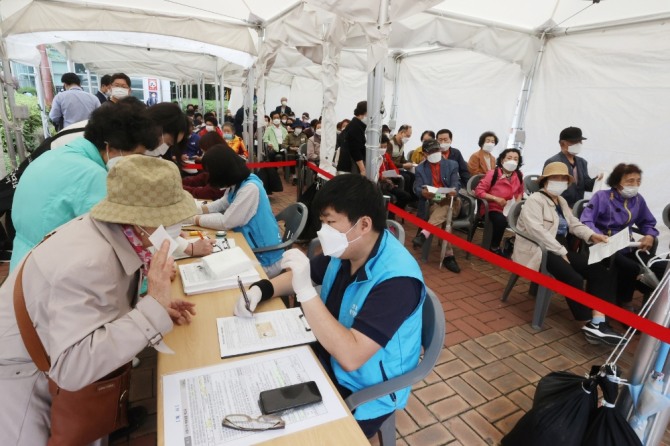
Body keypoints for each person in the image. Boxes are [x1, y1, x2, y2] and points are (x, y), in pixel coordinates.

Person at [0, 155, 198, 445]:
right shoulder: (88, 262)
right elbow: (72, 367)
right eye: (167, 218)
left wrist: (155, 308)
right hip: (22, 374)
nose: (173, 226)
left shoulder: (111, 233)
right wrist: (150, 310)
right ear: (140, 220)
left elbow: (101, 309)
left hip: (44, 357)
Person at [233, 174, 425, 439]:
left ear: (364, 224)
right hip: (326, 356)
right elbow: (306, 274)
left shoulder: (397, 281)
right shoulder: (349, 249)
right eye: (322, 222)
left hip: (362, 387)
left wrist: (304, 293)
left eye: (330, 222)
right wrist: (262, 289)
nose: (323, 231)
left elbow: (351, 356)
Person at [10, 98, 154, 271]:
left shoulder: (55, 155)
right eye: (136, 155)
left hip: (24, 261)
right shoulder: (92, 176)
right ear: (113, 147)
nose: (136, 163)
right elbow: (119, 243)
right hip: (55, 272)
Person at [512, 162, 622, 345]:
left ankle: (598, 320)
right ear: (545, 180)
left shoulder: (561, 201)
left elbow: (574, 224)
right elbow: (537, 231)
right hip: (540, 250)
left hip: (559, 247)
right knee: (574, 278)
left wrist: (592, 235)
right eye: (556, 178)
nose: (561, 182)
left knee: (599, 270)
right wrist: (561, 251)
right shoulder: (534, 200)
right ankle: (585, 323)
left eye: (564, 179)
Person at [193, 146, 284, 278]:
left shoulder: (250, 188)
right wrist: (196, 210)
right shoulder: (238, 183)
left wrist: (194, 219)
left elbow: (226, 222)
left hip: (264, 258)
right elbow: (222, 203)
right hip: (250, 248)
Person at [580, 163, 659, 311]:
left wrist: (649, 234)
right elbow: (586, 220)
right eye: (630, 181)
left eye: (638, 181)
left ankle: (635, 296)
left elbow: (648, 221)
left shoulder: (638, 200)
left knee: (656, 265)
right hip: (604, 244)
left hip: (627, 245)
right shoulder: (601, 197)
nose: (635, 185)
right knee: (631, 267)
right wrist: (598, 235)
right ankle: (625, 302)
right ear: (617, 182)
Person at [412, 139, 462, 272]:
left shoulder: (452, 164)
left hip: (451, 201)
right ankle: (449, 256)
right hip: (434, 200)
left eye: (437, 150)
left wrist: (453, 191)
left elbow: (456, 184)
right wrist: (422, 192)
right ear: (424, 154)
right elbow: (416, 187)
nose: (436, 153)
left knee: (446, 206)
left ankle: (425, 233)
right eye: (432, 151)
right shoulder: (420, 168)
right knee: (444, 220)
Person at [474, 148, 524, 256]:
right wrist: (496, 199)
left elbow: (520, 191)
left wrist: (517, 204)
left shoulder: (519, 175)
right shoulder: (493, 174)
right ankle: (494, 246)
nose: (512, 161)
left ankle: (511, 242)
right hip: (492, 206)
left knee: (526, 219)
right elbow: (479, 191)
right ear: (502, 160)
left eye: (516, 159)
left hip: (510, 206)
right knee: (501, 221)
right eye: (509, 158)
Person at [544, 126, 603, 208]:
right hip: (558, 206)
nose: (579, 144)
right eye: (575, 142)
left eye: (580, 141)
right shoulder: (554, 162)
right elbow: (548, 187)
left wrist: (596, 180)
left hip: (577, 206)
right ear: (563, 144)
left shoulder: (582, 162)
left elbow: (586, 185)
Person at [182, 132, 227, 200]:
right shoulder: (218, 161)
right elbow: (204, 177)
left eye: (205, 152)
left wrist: (180, 187)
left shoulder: (223, 165)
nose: (204, 155)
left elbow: (209, 192)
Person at [379, 135, 412, 217]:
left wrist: (393, 174)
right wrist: (381, 176)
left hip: (388, 183)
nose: (383, 149)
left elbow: (394, 168)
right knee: (389, 198)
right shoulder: (371, 157)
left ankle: (391, 215)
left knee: (406, 196)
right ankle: (387, 217)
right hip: (378, 184)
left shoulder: (386, 156)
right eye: (381, 147)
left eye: (385, 147)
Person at [336, 101, 367, 174]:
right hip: (349, 166)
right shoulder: (355, 127)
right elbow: (355, 150)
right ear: (364, 113)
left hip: (349, 165)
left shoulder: (356, 124)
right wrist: (362, 169)